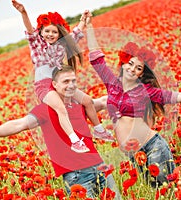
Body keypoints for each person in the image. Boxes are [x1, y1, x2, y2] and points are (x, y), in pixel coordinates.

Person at [85, 15, 181, 187]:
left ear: (142, 73)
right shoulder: (111, 84)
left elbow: (177, 97)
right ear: (123, 62)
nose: (133, 69)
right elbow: (97, 59)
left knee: (167, 191)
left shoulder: (146, 91)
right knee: (155, 192)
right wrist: (89, 26)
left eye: (138, 68)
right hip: (134, 154)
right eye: (131, 63)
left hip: (153, 147)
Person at [0, 65, 121, 199]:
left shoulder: (81, 104)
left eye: (74, 81)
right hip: (77, 175)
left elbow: (101, 101)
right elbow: (20, 124)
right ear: (54, 85)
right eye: (66, 81)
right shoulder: (45, 110)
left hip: (100, 167)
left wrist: (131, 91)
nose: (71, 85)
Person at [11, 0, 114, 153]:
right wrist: (24, 13)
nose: (50, 34)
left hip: (58, 84)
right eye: (47, 31)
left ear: (59, 34)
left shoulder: (60, 46)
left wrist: (82, 21)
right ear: (41, 31)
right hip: (44, 86)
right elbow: (30, 30)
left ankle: (99, 129)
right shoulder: (37, 44)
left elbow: (74, 35)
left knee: (87, 100)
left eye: (54, 32)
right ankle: (74, 141)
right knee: (60, 107)